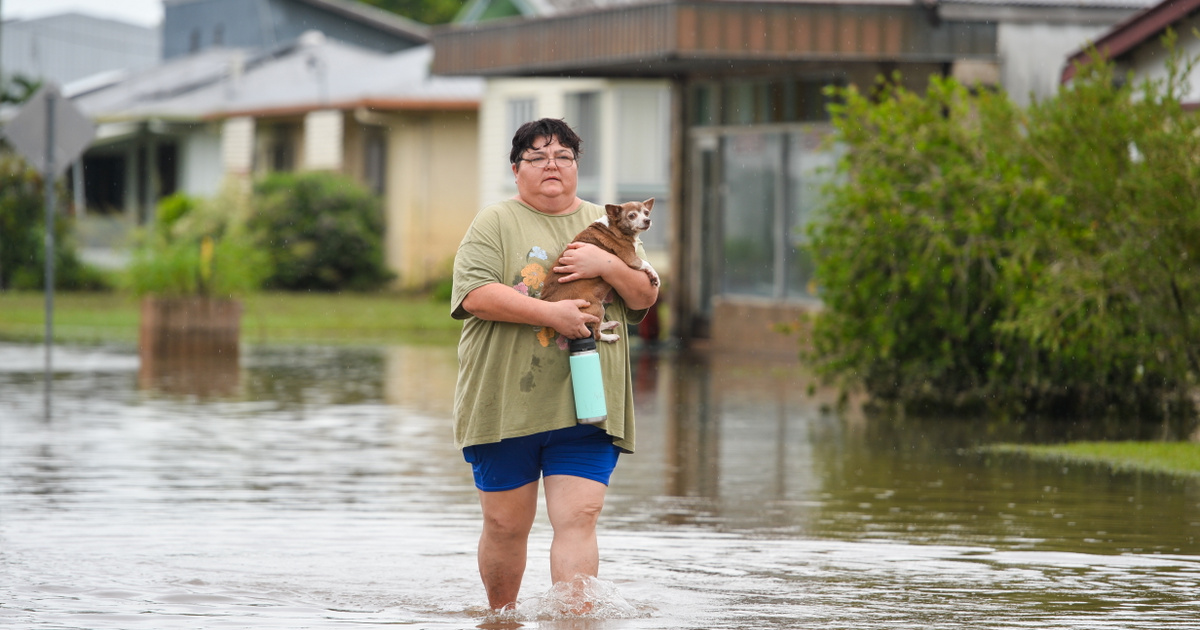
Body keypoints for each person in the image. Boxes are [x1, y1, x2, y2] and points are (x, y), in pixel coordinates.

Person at [450, 118, 659, 611]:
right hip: (506, 402)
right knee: (505, 525)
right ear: (515, 168)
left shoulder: (611, 222)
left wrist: (606, 266)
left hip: (586, 402)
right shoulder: (494, 221)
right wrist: (552, 314)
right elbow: (476, 295)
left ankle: (573, 622)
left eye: (563, 156)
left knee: (580, 516)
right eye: (538, 156)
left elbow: (644, 295)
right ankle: (501, 619)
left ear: (576, 168)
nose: (552, 165)